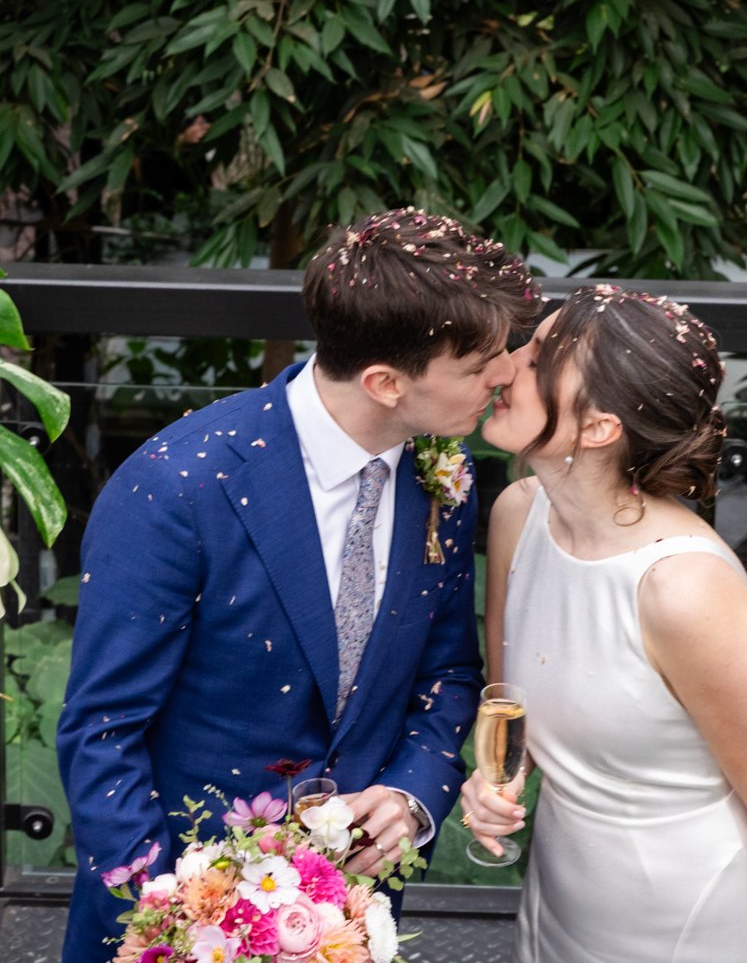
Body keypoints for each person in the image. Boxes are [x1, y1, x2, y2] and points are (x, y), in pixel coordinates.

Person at [57, 208, 542, 963]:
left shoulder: (445, 477)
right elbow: (102, 732)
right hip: (184, 919)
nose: (508, 373)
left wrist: (412, 798)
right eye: (481, 365)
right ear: (385, 382)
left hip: (356, 922)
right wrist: (175, 924)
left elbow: (446, 673)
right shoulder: (178, 486)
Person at [460, 286, 747, 962]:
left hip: (692, 926)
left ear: (599, 426)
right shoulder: (518, 514)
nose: (509, 364)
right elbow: (512, 711)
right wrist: (498, 785)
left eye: (540, 357)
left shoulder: (685, 592)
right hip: (556, 909)